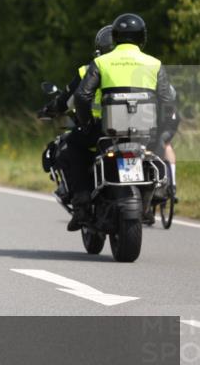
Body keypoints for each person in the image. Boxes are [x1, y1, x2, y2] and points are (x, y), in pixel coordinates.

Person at [71, 13, 177, 230]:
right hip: (145, 134)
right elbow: (168, 100)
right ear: (142, 37)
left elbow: (82, 96)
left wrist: (87, 123)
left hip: (108, 132)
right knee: (159, 149)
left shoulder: (101, 62)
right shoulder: (154, 63)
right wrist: (164, 128)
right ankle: (159, 189)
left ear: (115, 36)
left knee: (70, 148)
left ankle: (82, 203)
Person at [41, 25, 114, 205]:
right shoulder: (143, 66)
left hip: (100, 127)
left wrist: (50, 110)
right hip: (137, 130)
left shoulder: (90, 69)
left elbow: (69, 100)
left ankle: (81, 198)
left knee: (69, 146)